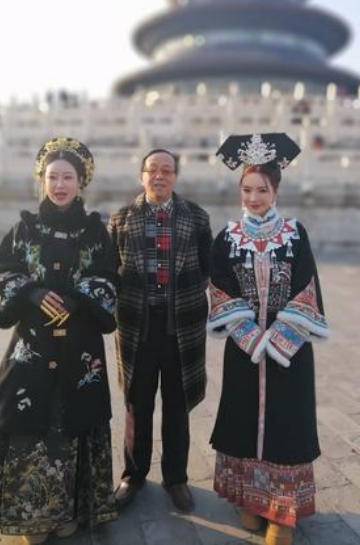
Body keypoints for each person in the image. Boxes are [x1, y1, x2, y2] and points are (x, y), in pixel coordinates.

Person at [0, 137, 118, 544]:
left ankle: (68, 513)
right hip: (33, 347)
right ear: (42, 179)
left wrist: (78, 299)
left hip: (80, 347)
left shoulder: (95, 232)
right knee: (29, 422)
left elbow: (110, 275)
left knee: (72, 424)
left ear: (81, 182)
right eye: (53, 177)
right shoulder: (24, 229)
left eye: (68, 177)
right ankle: (30, 516)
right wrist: (31, 293)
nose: (60, 185)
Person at [207, 133, 329, 545]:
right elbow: (220, 289)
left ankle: (282, 513)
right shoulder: (227, 237)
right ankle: (249, 499)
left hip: (289, 350)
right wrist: (250, 337)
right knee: (242, 419)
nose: (253, 198)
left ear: (276, 190)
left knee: (286, 424)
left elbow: (307, 288)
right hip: (244, 348)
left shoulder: (295, 234)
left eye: (262, 190)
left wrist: (278, 339)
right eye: (247, 190)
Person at [109, 148, 212, 512]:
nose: (159, 176)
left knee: (177, 406)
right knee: (136, 406)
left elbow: (207, 267)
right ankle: (133, 476)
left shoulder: (196, 218)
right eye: (152, 169)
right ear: (142, 176)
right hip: (137, 328)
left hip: (181, 326)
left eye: (167, 170)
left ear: (176, 177)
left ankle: (176, 477)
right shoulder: (122, 219)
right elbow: (110, 270)